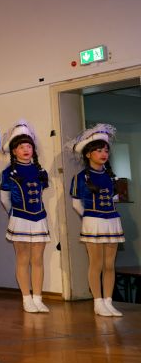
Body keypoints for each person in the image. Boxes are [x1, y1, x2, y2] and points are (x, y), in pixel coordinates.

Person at [68, 124, 124, 317]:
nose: (103, 154)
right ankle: (97, 302)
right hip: (93, 222)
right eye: (99, 150)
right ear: (88, 154)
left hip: (112, 221)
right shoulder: (80, 177)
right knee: (96, 264)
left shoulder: (110, 176)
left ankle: (108, 302)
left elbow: (114, 199)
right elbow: (76, 204)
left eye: (106, 150)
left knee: (109, 265)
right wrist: (90, 218)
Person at [0, 121, 50, 313]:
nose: (26, 150)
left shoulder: (41, 171)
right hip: (19, 218)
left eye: (29, 146)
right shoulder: (8, 173)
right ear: (14, 151)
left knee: (38, 260)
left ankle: (38, 298)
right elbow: (4, 199)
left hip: (39, 218)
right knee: (22, 259)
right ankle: (26, 298)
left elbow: (41, 193)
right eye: (21, 147)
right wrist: (14, 215)